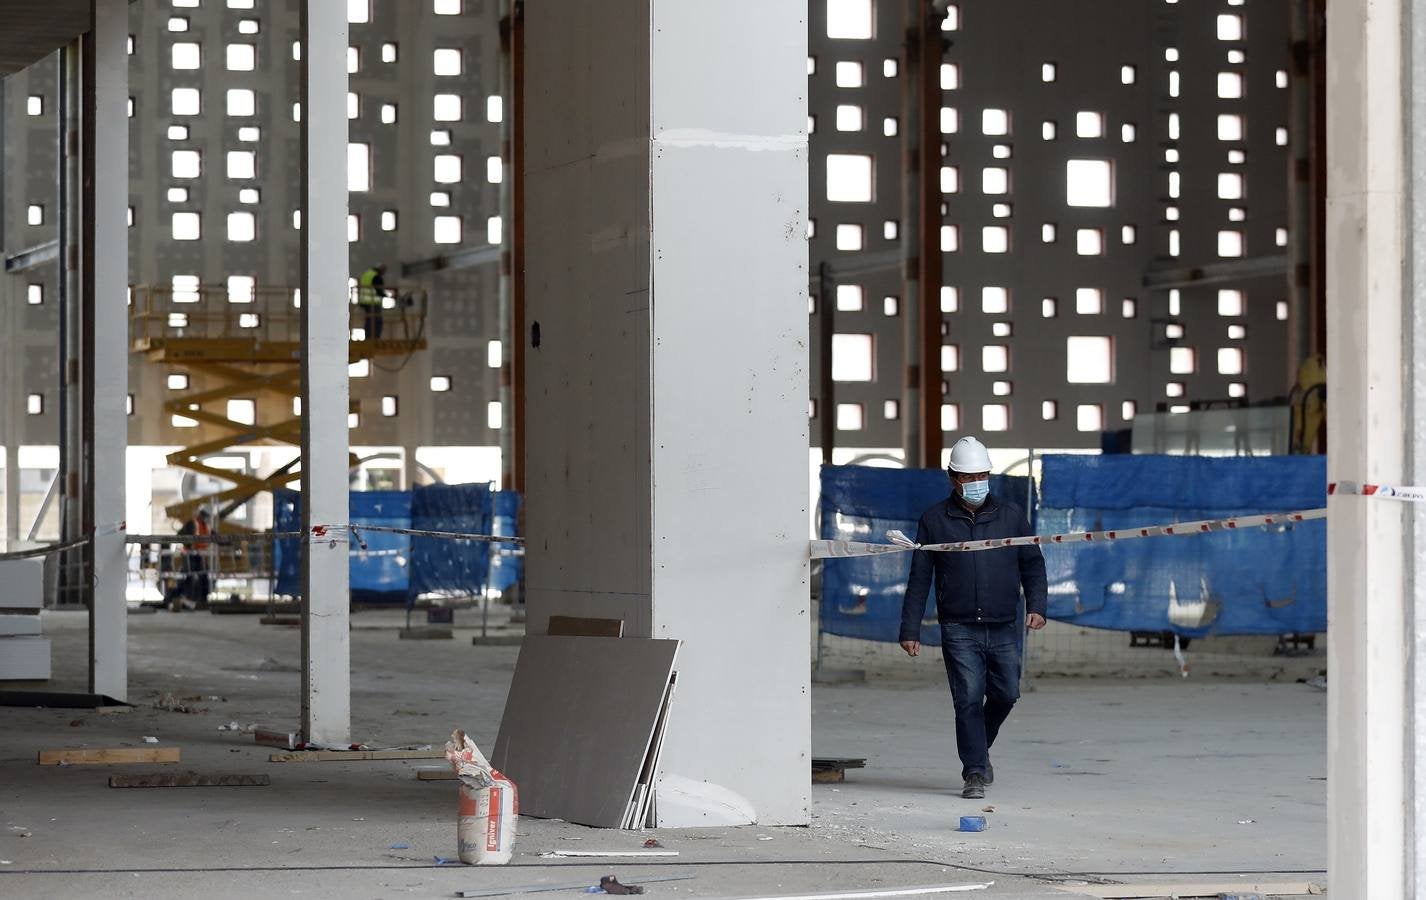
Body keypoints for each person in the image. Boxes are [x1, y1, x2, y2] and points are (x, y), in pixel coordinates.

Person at [898, 435, 1048, 800]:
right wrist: (909, 628)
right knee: (966, 699)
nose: (977, 482)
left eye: (982, 474)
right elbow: (920, 578)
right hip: (958, 626)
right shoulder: (934, 520)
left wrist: (1037, 606)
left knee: (1007, 693)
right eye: (969, 476)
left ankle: (979, 749)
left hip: (1003, 625)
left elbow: (1033, 564)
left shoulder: (1011, 516)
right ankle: (975, 771)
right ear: (953, 478)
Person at [165, 508, 212, 610]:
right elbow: (181, 535)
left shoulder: (204, 525)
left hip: (198, 554)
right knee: (188, 577)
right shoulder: (193, 523)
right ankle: (171, 598)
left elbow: (209, 537)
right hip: (190, 555)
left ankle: (202, 599)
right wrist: (189, 544)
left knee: (201, 576)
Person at [357, 263, 388, 340]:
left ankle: (368, 337)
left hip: (365, 302)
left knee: (369, 320)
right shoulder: (376, 276)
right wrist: (386, 295)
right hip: (373, 302)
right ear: (381, 270)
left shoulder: (367, 273)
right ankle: (375, 337)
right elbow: (378, 290)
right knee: (377, 321)